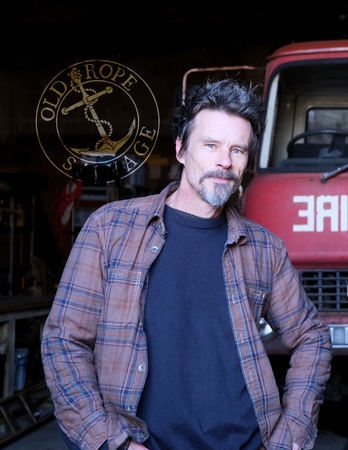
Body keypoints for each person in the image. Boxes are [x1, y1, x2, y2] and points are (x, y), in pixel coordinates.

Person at [41, 79, 333, 450]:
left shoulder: (265, 250)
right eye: (211, 145)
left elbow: (312, 338)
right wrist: (109, 441)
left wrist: (291, 434)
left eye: (238, 150)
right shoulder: (110, 229)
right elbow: (64, 341)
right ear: (181, 149)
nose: (224, 162)